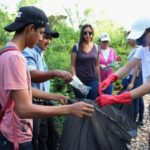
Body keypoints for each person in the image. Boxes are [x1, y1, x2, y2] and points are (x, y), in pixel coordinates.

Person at [0, 6, 95, 150]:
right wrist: (69, 109)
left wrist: (54, 96)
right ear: (30, 28)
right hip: (15, 137)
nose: (40, 38)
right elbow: (23, 109)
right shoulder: (15, 58)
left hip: (8, 131)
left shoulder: (5, 52)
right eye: (41, 33)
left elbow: (24, 90)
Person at [23, 24, 72, 150]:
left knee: (45, 138)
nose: (47, 41)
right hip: (33, 102)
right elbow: (32, 75)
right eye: (45, 36)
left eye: (50, 38)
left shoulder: (40, 54)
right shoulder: (29, 52)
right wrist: (55, 73)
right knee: (35, 139)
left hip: (44, 102)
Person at [97, 17, 150, 112]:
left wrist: (116, 98)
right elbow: (127, 67)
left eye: (142, 36)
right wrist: (111, 78)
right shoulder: (143, 48)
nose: (139, 40)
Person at [71, 24, 100, 100]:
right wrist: (74, 78)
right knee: (80, 102)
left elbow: (97, 66)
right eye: (85, 33)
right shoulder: (76, 47)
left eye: (90, 33)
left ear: (92, 34)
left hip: (93, 80)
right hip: (79, 81)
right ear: (82, 34)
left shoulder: (96, 47)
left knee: (92, 103)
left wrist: (99, 81)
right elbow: (72, 65)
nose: (88, 35)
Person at [121, 36, 144, 124]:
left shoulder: (138, 49)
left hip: (135, 77)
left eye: (129, 38)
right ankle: (140, 119)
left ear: (134, 39)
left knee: (135, 99)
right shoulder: (134, 49)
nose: (128, 40)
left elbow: (136, 67)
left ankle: (133, 121)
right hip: (133, 76)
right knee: (139, 98)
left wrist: (132, 82)